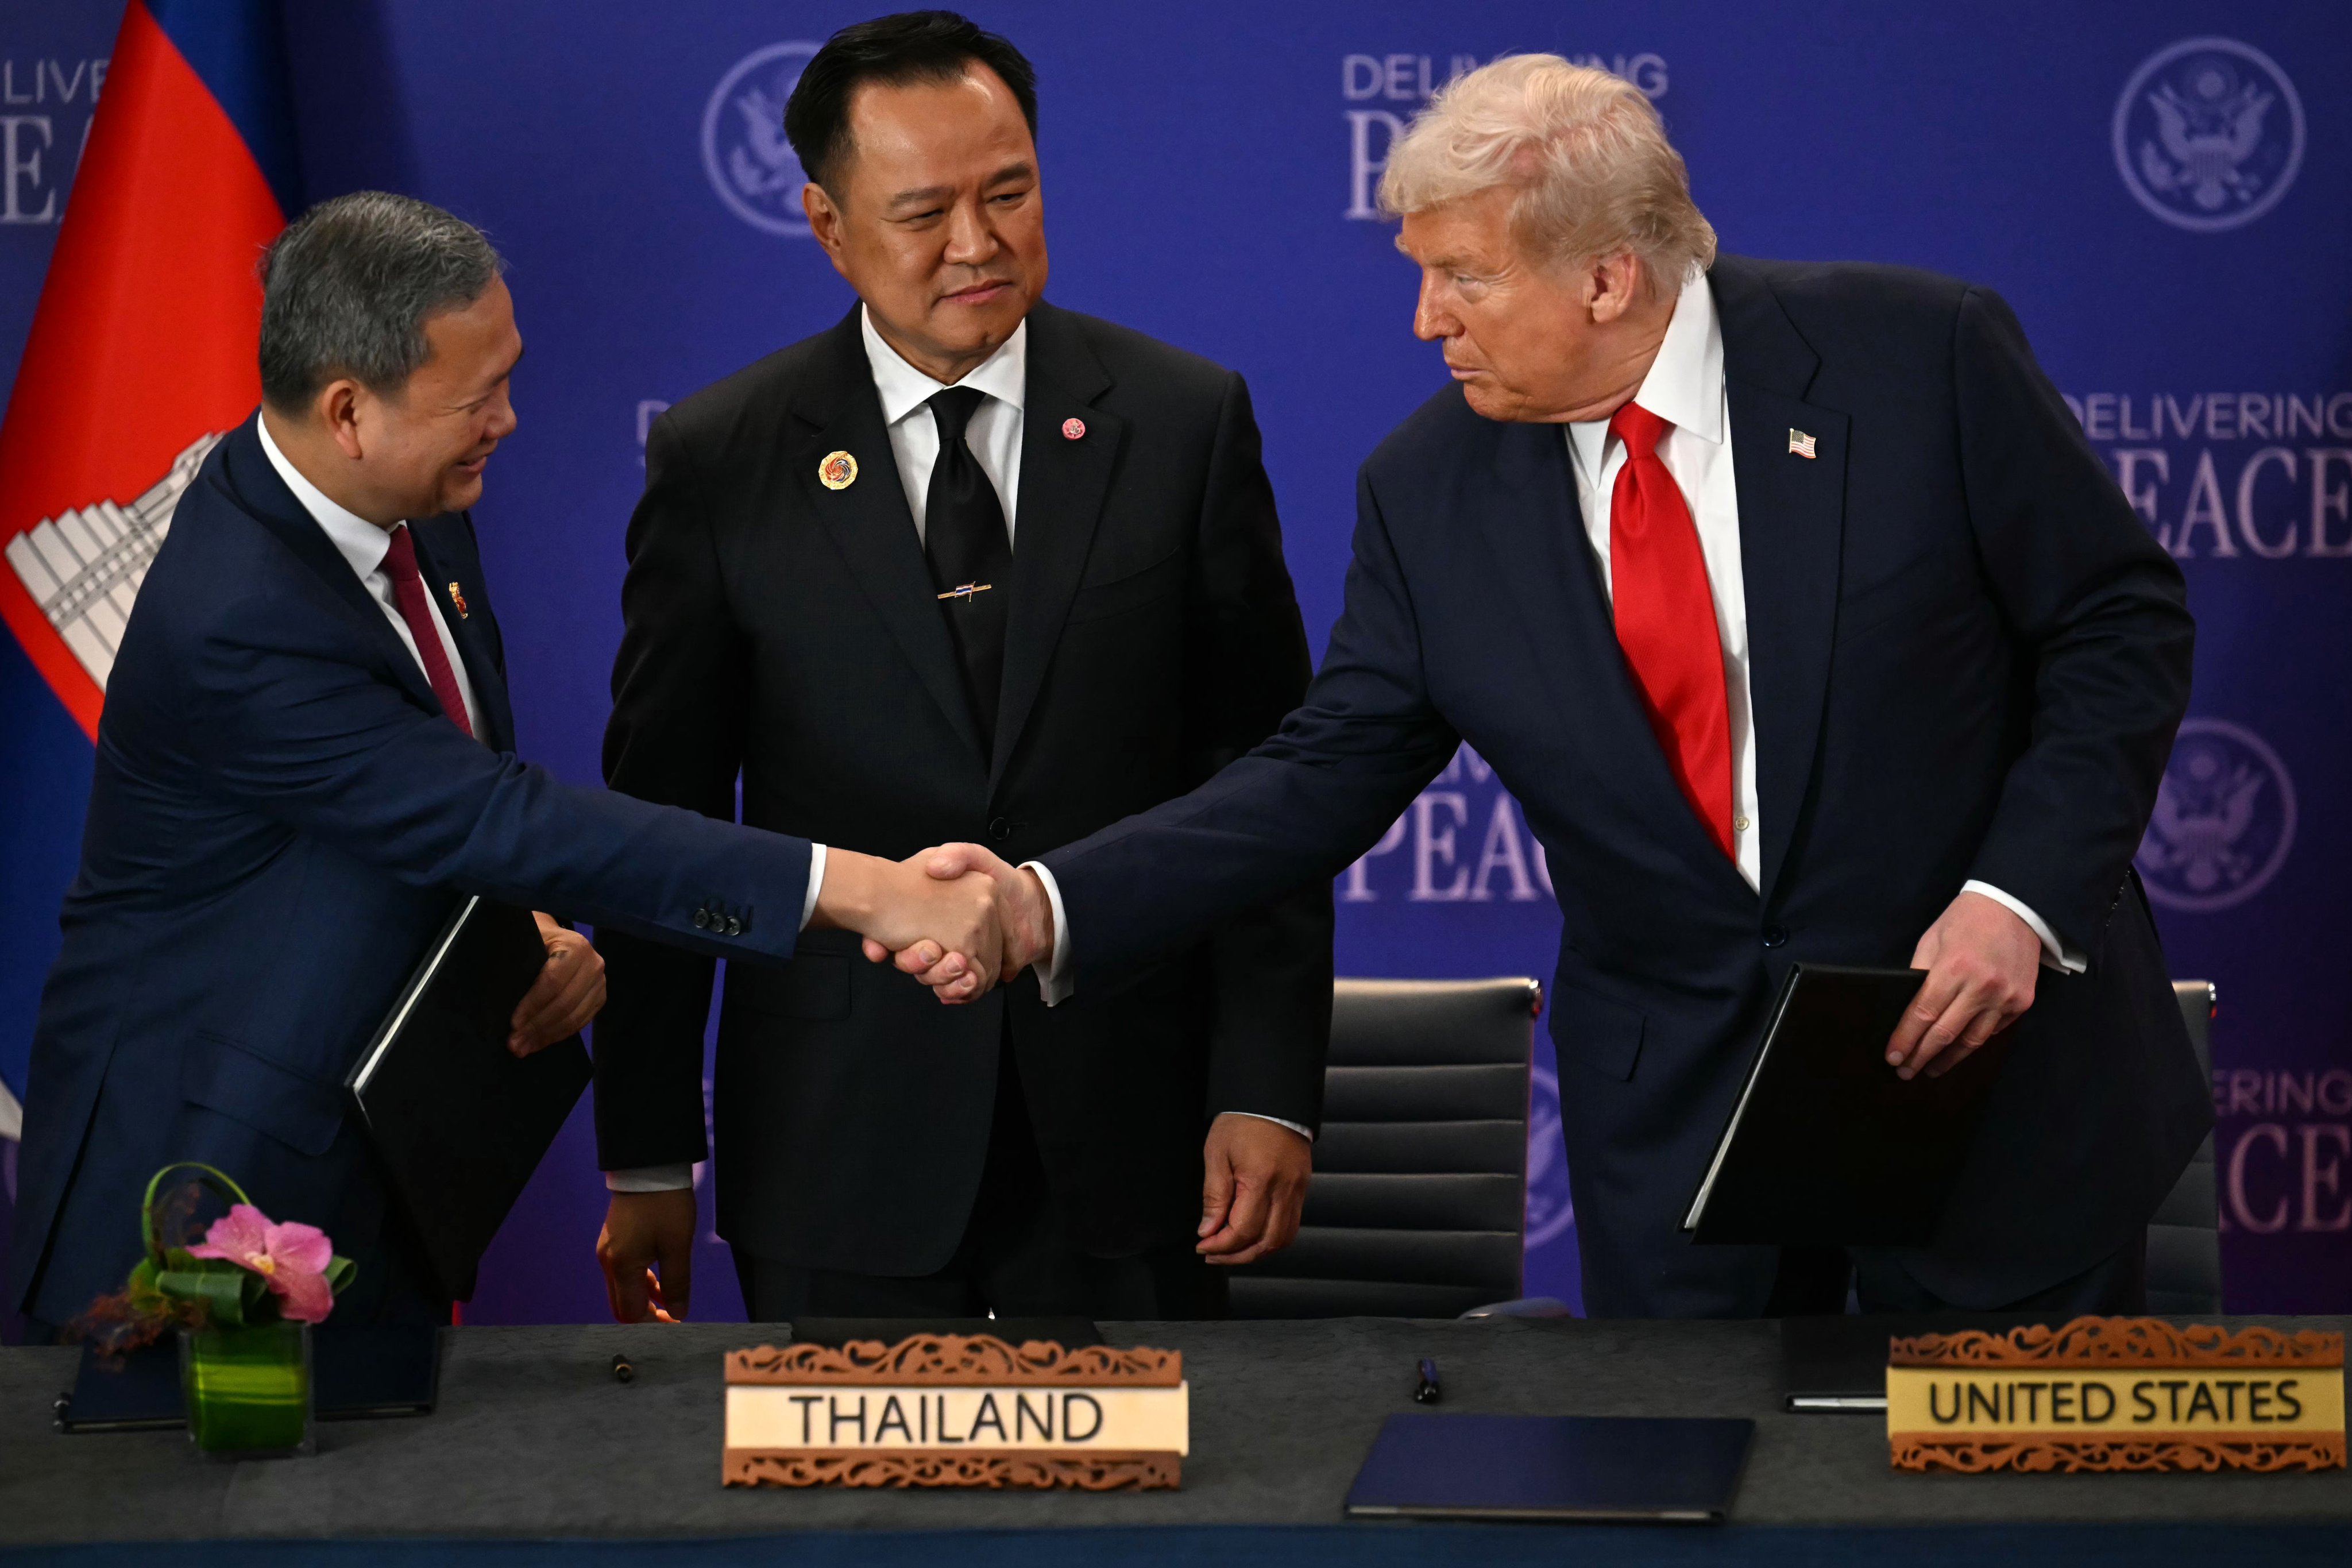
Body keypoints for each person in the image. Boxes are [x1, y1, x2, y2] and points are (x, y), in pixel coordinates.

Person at [905, 57, 2210, 1318]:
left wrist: (2017, 899)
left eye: (1463, 277)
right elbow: (1316, 777)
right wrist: (1042, 902)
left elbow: (2114, 622)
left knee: (1999, 1521)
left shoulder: (1915, 358)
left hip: (1984, 1090)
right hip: (1684, 1158)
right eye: (1421, 276)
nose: (1426, 320)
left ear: (1605, 277)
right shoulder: (1424, 492)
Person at [7, 192, 998, 1337]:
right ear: (347, 412)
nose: (510, 421)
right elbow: (500, 817)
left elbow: (414, 818)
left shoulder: (414, 504)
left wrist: (520, 933)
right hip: (198, 1197)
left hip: (374, 1159)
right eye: (477, 398)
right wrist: (862, 887)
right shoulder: (236, 618)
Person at [591, 11, 1330, 1325]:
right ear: (827, 226)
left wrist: (1262, 1081)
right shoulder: (722, 458)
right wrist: (648, 1145)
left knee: (1139, 1529)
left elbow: (1264, 785)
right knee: (852, 1531)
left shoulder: (1179, 420)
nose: (978, 244)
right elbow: (669, 826)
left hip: (1133, 1134)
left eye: (1009, 192)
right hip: (837, 1148)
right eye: (924, 211)